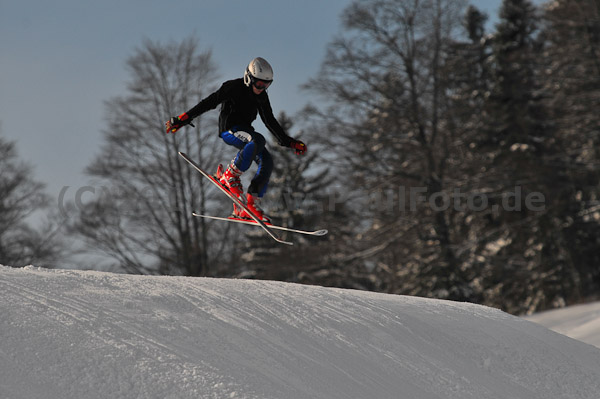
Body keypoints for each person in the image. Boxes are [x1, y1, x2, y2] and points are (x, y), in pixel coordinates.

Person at [165, 57, 306, 223]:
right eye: (259, 84)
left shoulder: (261, 97)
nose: (261, 88)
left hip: (246, 133)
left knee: (267, 161)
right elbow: (208, 103)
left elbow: (270, 121)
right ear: (248, 78)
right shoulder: (233, 87)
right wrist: (183, 118)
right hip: (229, 130)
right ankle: (229, 175)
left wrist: (289, 142)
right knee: (257, 140)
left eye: (266, 85)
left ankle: (250, 205)